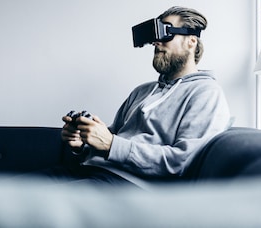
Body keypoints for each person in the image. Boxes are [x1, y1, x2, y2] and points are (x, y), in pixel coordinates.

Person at [58, 6, 230, 189]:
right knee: (25, 185)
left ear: (191, 41)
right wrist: (81, 144)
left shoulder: (206, 93)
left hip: (127, 184)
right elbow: (114, 138)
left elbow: (182, 162)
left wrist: (111, 144)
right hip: (87, 170)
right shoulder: (142, 91)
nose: (156, 42)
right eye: (155, 35)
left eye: (166, 32)